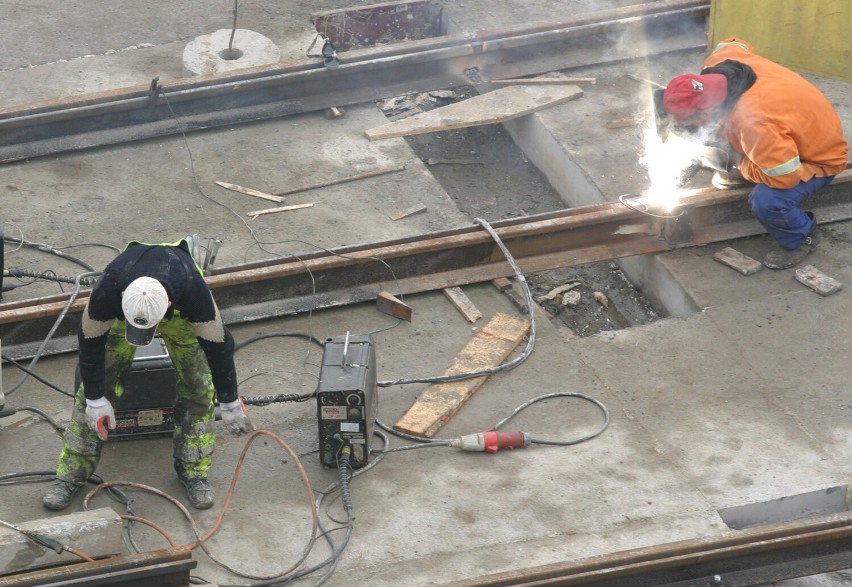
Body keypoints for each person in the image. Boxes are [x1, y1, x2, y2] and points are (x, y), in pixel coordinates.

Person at [43, 238, 250, 511]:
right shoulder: (108, 290)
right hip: (129, 301)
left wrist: (229, 400)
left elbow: (219, 348)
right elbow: (90, 346)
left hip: (179, 310)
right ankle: (69, 476)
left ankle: (194, 473)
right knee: (93, 391)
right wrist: (95, 399)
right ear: (121, 299)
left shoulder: (194, 294)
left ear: (167, 306)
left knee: (199, 389)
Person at [660, 37, 848, 269]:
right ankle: (755, 160)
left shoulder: (753, 123)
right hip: (796, 126)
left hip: (818, 156)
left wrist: (739, 163)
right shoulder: (721, 61)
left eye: (692, 120)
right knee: (719, 134)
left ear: (706, 107)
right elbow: (735, 41)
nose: (691, 126)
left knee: (766, 201)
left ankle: (802, 236)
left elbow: (785, 177)